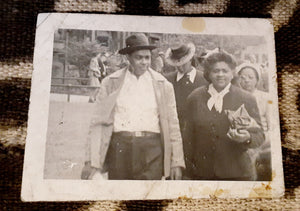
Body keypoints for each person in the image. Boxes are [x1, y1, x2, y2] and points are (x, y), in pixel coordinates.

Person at [81, 33, 185, 180]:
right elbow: (97, 123)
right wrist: (91, 160)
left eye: (147, 57)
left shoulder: (163, 85)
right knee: (120, 196)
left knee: (147, 199)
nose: (144, 62)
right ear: (128, 58)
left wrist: (176, 162)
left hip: (151, 150)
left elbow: (173, 125)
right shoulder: (110, 83)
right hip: (120, 149)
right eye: (139, 57)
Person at [184, 50, 264, 181]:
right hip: (202, 173)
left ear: (232, 73)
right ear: (208, 73)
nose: (220, 75)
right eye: (216, 71)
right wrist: (188, 169)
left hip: (237, 173)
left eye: (225, 71)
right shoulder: (195, 97)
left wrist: (247, 137)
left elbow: (259, 134)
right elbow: (188, 137)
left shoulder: (246, 98)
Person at [237, 62, 271, 180]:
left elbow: (272, 128)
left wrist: (257, 144)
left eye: (251, 77)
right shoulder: (235, 96)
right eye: (243, 77)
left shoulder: (266, 98)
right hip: (240, 141)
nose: (246, 80)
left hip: (262, 143)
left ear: (257, 80)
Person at [164, 43, 208, 133]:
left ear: (190, 60)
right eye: (176, 64)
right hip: (174, 131)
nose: (180, 67)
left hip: (199, 132)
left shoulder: (205, 79)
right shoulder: (167, 80)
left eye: (183, 63)